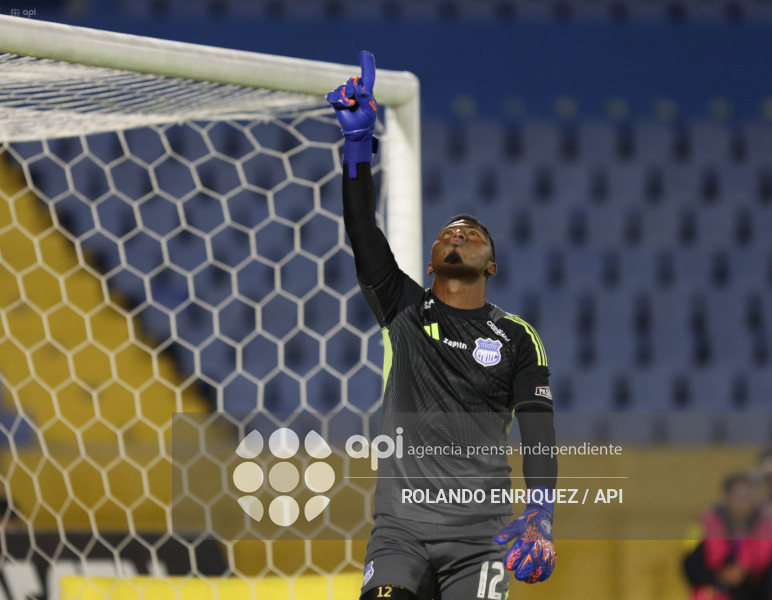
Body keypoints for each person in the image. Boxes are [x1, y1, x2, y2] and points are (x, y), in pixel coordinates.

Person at [327, 51, 557, 600]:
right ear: (430, 262)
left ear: (492, 266)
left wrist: (541, 515)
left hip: (480, 539)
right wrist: (358, 144)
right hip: (399, 534)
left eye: (473, 231)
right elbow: (362, 229)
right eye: (449, 230)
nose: (458, 231)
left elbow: (539, 435)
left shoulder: (518, 337)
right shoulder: (403, 308)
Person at [683, 472, 772, 600]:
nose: (742, 502)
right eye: (738, 496)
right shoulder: (704, 527)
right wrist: (720, 575)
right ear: (726, 497)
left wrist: (745, 573)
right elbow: (690, 567)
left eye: (748, 496)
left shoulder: (765, 528)